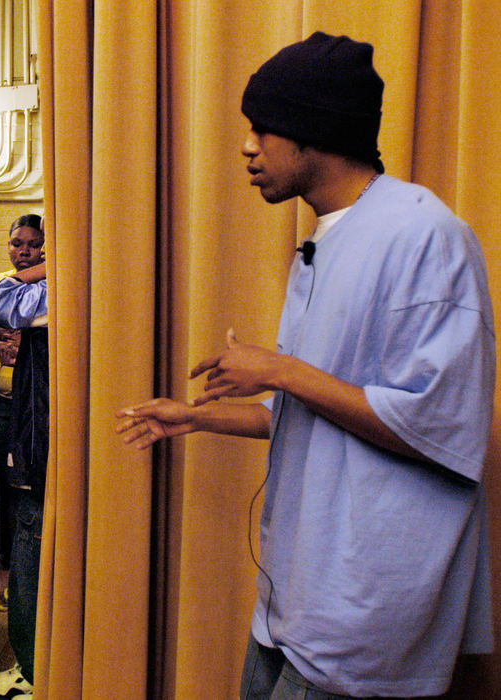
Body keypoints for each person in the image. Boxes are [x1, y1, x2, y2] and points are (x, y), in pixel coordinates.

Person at [116, 32, 495, 699]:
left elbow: (440, 424)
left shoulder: (424, 235)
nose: (247, 147)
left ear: (312, 132)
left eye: (263, 130)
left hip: (362, 618)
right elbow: (319, 414)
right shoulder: (324, 240)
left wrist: (280, 370)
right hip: (296, 602)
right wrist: (197, 416)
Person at [0, 259, 48, 700]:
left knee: (30, 565)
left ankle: (34, 673)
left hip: (41, 451)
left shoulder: (56, 289)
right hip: (41, 440)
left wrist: (39, 270)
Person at [0, 214, 45, 580]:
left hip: (34, 405)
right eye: (17, 243)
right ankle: (4, 558)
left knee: (29, 490)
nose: (24, 251)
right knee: (4, 485)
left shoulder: (52, 284)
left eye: (33, 245)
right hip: (0, 402)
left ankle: (26, 569)